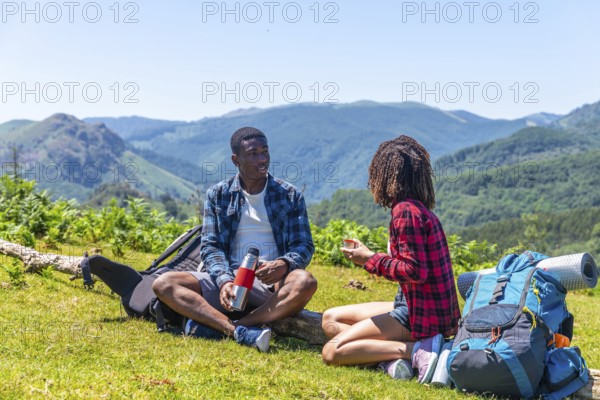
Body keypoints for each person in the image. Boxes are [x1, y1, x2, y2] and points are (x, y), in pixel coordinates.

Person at [153, 127, 317, 352]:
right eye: (253, 154)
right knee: (164, 283)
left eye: (265, 152)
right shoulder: (218, 194)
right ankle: (238, 331)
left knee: (305, 281)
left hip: (270, 288)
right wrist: (224, 281)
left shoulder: (289, 195)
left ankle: (236, 326)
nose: (262, 159)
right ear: (235, 160)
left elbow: (304, 245)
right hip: (230, 281)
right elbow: (211, 246)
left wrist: (284, 264)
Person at [320, 135, 460, 384]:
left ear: (386, 174)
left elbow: (416, 271)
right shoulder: (417, 208)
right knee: (330, 319)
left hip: (420, 314)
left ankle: (417, 350)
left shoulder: (405, 212)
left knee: (332, 350)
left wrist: (371, 259)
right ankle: (392, 359)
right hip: (416, 304)